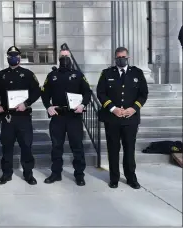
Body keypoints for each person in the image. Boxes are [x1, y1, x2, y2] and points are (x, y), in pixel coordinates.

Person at [97, 47, 149, 189]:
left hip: (130, 119)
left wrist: (134, 108)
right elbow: (101, 93)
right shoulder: (107, 73)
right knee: (113, 149)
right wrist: (113, 109)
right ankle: (114, 178)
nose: (121, 59)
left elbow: (143, 93)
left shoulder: (137, 73)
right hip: (112, 119)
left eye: (123, 57)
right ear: (115, 58)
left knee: (129, 149)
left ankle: (131, 178)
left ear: (128, 57)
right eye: (118, 57)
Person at [41, 48, 92, 186]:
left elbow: (87, 92)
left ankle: (79, 175)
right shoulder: (52, 75)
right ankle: (56, 173)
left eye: (66, 56)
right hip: (58, 116)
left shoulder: (78, 75)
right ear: (58, 58)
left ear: (70, 58)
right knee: (56, 146)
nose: (64, 58)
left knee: (77, 147)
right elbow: (44, 93)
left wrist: (83, 105)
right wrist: (48, 106)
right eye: (62, 56)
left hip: (73, 116)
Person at [0, 46, 41, 185]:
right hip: (7, 117)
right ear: (7, 57)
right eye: (10, 56)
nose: (13, 58)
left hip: (23, 116)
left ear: (20, 57)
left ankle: (28, 174)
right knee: (7, 147)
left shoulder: (28, 74)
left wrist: (26, 104)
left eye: (15, 55)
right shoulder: (1, 75)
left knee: (26, 146)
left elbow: (36, 91)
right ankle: (6, 174)